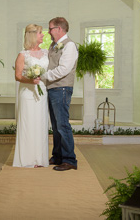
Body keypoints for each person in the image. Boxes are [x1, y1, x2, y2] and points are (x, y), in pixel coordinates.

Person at [42, 17, 78, 171]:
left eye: (50, 28)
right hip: (53, 88)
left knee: (63, 125)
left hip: (62, 89)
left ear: (59, 29)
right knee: (56, 126)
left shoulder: (69, 46)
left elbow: (64, 69)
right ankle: (58, 156)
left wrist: (44, 76)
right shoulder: (54, 45)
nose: (48, 32)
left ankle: (69, 160)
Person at [12, 24, 49, 168]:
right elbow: (17, 76)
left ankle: (39, 159)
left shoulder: (46, 53)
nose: (43, 35)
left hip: (42, 92)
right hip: (27, 93)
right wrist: (30, 80)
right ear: (33, 35)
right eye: (40, 33)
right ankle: (27, 160)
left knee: (40, 124)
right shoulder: (23, 54)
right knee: (28, 124)